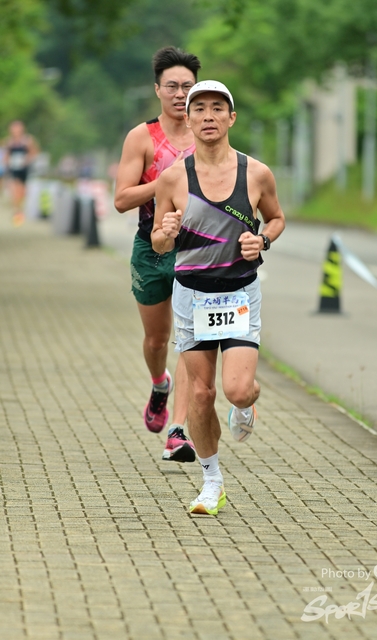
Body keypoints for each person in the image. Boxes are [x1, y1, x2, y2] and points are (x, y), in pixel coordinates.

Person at [151, 80, 286, 515]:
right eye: (199, 109)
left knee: (238, 390)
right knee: (201, 394)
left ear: (232, 117)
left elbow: (276, 218)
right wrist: (166, 233)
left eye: (217, 108)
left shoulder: (256, 173)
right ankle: (212, 483)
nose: (208, 116)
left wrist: (262, 240)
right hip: (192, 296)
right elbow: (158, 242)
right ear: (187, 119)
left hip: (239, 292)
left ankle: (246, 407)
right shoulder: (172, 178)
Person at [114, 46, 202, 463]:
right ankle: (159, 383)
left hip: (196, 249)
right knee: (157, 340)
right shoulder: (142, 137)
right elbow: (121, 199)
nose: (180, 94)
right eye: (172, 86)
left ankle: (178, 432)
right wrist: (166, 181)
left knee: (189, 339)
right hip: (151, 248)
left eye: (187, 86)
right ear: (157, 90)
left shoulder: (208, 133)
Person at [4, 120, 39, 226]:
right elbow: (6, 155)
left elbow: (34, 152)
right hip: (14, 169)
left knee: (22, 192)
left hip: (24, 169)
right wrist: (7, 162)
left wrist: (26, 160)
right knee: (15, 190)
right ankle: (17, 212)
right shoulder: (9, 142)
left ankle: (19, 210)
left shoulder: (28, 140)